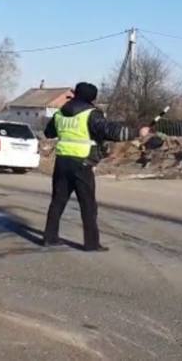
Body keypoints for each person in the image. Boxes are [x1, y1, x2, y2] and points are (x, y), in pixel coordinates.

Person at [43, 82, 149, 251]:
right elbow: (110, 131)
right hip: (82, 162)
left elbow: (48, 133)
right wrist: (137, 132)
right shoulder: (91, 114)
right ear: (92, 97)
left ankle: (50, 237)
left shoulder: (60, 113)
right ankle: (91, 244)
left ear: (76, 93)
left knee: (57, 201)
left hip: (62, 161)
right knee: (88, 205)